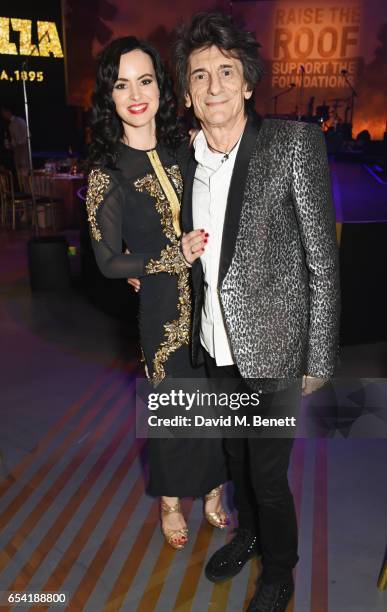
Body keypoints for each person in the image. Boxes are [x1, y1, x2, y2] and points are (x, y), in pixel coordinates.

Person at [174, 12, 340, 612]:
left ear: (247, 83)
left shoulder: (292, 145)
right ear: (189, 95)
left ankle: (281, 568)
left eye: (226, 71)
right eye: (200, 75)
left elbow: (322, 259)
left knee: (269, 476)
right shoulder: (184, 162)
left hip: (275, 349)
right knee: (235, 458)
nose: (213, 84)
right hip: (216, 344)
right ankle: (246, 535)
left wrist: (318, 356)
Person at [85, 36, 228, 550]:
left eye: (145, 80)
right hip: (162, 315)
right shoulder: (107, 173)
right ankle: (171, 503)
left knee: (214, 407)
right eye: (121, 85)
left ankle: (214, 491)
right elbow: (106, 261)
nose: (135, 94)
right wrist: (168, 259)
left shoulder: (183, 150)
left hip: (211, 303)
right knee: (173, 412)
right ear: (109, 97)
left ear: (161, 88)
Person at [1, 104, 30, 187]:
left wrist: (13, 144)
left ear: (8, 112)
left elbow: (24, 138)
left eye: (3, 112)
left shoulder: (18, 121)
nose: (3, 114)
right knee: (21, 177)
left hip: (23, 154)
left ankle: (28, 194)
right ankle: (25, 192)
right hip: (18, 154)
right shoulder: (11, 124)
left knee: (24, 176)